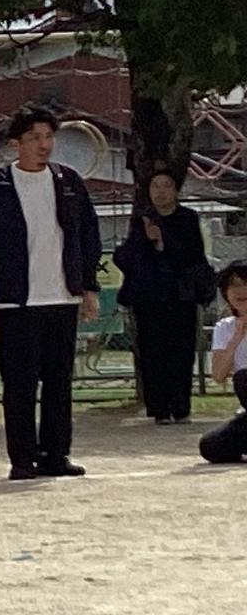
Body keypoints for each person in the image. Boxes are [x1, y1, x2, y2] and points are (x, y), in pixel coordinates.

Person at [0, 105, 102, 481]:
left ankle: (56, 453)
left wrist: (88, 286)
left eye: (48, 137)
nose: (44, 145)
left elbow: (88, 236)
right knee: (20, 384)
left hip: (62, 295)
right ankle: (23, 458)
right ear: (16, 144)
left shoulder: (69, 181)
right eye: (35, 138)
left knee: (59, 382)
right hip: (17, 300)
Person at [114, 170, 213, 425]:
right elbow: (128, 258)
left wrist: (163, 242)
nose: (160, 191)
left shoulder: (188, 219)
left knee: (181, 352)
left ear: (176, 190)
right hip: (150, 297)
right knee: (152, 353)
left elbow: (193, 256)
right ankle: (158, 408)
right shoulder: (142, 221)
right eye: (155, 186)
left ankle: (180, 406)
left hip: (180, 296)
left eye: (166, 186)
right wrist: (147, 242)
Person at [197, 263, 247, 464]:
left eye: (245, 284)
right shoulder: (224, 328)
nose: (240, 291)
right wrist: (236, 337)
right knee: (210, 446)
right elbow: (218, 375)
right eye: (233, 286)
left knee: (244, 378)